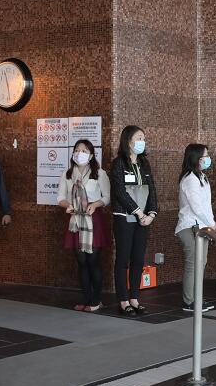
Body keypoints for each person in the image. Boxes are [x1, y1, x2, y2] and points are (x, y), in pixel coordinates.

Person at [109, 125, 158, 316]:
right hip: (125, 217)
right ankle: (123, 300)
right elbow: (120, 192)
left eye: (143, 139)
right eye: (139, 138)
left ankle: (135, 298)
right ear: (128, 141)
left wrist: (151, 214)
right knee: (123, 258)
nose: (142, 142)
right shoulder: (118, 163)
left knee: (138, 258)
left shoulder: (144, 163)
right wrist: (138, 212)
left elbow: (152, 189)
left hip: (144, 219)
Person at [57, 139, 110, 312]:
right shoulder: (67, 174)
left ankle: (96, 300)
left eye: (84, 151)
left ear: (91, 155)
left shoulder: (99, 173)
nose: (80, 153)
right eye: (77, 150)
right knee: (81, 261)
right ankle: (86, 298)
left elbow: (107, 197)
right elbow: (60, 198)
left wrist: (95, 205)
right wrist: (67, 205)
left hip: (93, 219)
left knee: (93, 260)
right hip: (76, 220)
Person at [175, 143, 215, 312]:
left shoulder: (202, 178)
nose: (208, 159)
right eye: (205, 156)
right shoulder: (190, 179)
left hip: (203, 226)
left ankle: (197, 298)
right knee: (193, 263)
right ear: (196, 158)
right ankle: (189, 301)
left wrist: (211, 222)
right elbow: (196, 207)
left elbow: (207, 205)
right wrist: (211, 222)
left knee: (201, 263)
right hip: (189, 226)